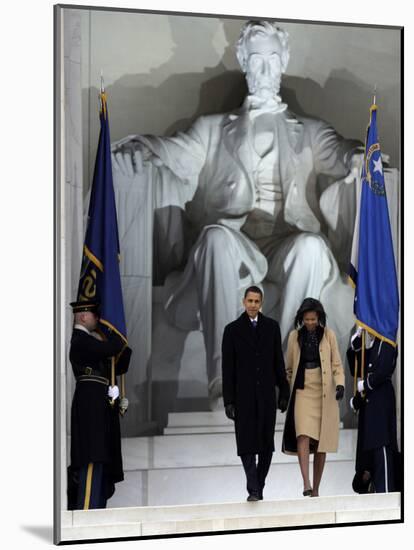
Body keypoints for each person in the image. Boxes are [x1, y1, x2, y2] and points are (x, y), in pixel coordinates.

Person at [112, 20, 363, 408]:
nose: (264, 71)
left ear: (284, 63)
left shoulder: (310, 131)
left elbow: (342, 151)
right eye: (256, 61)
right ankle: (223, 381)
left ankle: (285, 375)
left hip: (287, 246)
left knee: (313, 247)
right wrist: (140, 146)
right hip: (235, 243)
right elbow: (173, 151)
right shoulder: (213, 129)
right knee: (213, 238)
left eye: (272, 60)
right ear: (244, 63)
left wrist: (360, 157)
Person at [221, 286, 290, 501]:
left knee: (266, 444)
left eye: (256, 301)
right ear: (244, 302)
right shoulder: (232, 330)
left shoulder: (271, 327)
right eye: (249, 301)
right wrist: (229, 401)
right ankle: (253, 488)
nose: (252, 305)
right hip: (243, 397)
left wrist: (284, 392)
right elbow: (227, 369)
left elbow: (279, 362)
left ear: (261, 303)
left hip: (266, 396)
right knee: (246, 444)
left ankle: (258, 484)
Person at [67, 300, 132, 510]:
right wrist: (115, 331)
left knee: (101, 459)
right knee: (92, 458)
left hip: (99, 407)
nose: (98, 320)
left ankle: (96, 507)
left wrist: (122, 341)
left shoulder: (91, 343)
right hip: (89, 407)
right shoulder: (80, 341)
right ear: (84, 316)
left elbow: (118, 362)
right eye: (97, 316)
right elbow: (110, 348)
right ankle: (88, 509)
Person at [281, 298, 344, 497]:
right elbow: (289, 369)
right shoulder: (294, 337)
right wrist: (285, 391)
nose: (310, 322)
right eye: (307, 319)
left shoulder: (329, 335)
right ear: (301, 318)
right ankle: (306, 483)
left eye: (313, 319)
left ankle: (316, 489)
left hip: (323, 390)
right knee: (303, 435)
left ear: (319, 318)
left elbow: (336, 365)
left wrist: (340, 384)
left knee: (321, 443)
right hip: (302, 390)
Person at [347, 328, 399, 493]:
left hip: (381, 401)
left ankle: (385, 489)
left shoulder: (387, 341)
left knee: (381, 445)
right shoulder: (375, 344)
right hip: (370, 404)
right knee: (370, 451)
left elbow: (382, 370)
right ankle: (375, 488)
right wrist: (356, 345)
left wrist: (366, 384)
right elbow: (358, 365)